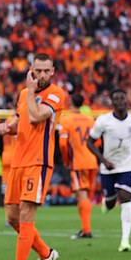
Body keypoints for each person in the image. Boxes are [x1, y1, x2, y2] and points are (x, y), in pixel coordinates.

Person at [0, 53, 65, 260]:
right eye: (39, 70)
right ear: (32, 70)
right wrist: (7, 127)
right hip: (18, 161)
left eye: (46, 71)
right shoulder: (24, 94)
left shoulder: (55, 94)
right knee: (12, 217)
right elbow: (21, 121)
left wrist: (31, 91)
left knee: (26, 213)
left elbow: (35, 118)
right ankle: (46, 253)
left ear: (53, 71)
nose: (42, 75)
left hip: (39, 161)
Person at [87, 89, 131, 252]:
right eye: (116, 99)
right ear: (112, 102)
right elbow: (89, 142)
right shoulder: (103, 121)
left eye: (122, 98)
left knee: (126, 197)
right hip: (108, 167)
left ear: (126, 100)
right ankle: (107, 202)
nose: (120, 102)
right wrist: (103, 160)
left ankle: (125, 241)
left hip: (127, 165)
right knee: (110, 202)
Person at [58, 94, 98, 239]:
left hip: (78, 162)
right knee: (84, 195)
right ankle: (84, 228)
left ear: (70, 102)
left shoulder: (66, 119)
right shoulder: (90, 119)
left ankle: (86, 230)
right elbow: (97, 142)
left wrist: (66, 159)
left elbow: (63, 144)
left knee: (81, 195)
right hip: (92, 161)